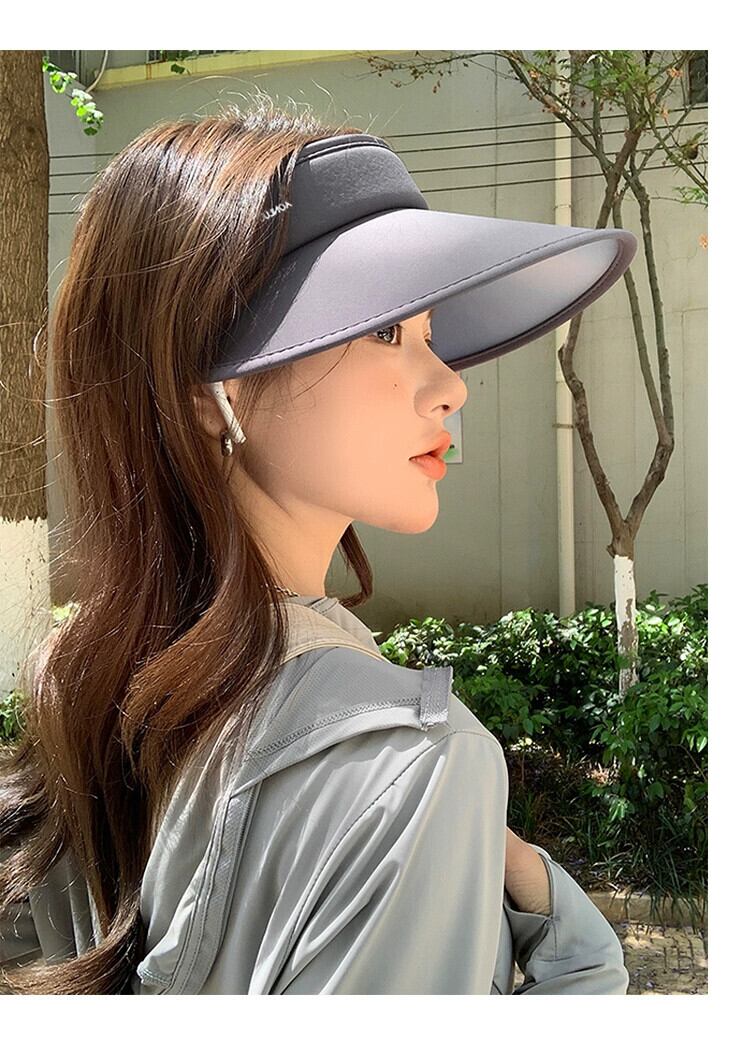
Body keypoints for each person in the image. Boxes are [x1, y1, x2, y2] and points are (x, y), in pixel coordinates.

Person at [0, 93, 635, 995]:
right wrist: (577, 954)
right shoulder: (411, 762)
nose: (451, 385)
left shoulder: (87, 691)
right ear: (210, 392)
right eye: (383, 329)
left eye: (429, 332)